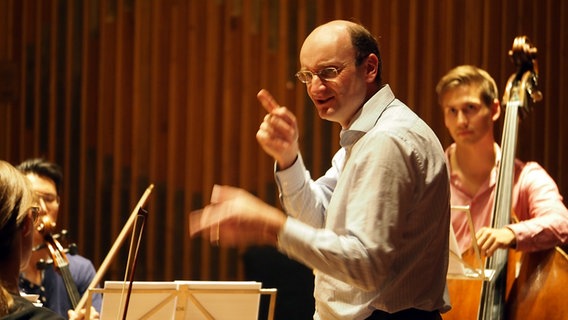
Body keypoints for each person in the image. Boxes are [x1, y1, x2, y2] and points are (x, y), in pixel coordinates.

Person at [190, 20, 451, 320]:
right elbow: (319, 220)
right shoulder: (366, 135)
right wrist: (289, 159)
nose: (315, 87)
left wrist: (270, 223)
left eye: (328, 72)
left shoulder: (387, 140)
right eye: (307, 75)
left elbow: (365, 266)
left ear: (370, 68)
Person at [435, 65, 568, 258]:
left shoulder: (525, 178)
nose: (461, 120)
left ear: (495, 110)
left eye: (470, 108)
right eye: (452, 111)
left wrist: (511, 233)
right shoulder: (429, 178)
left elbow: (561, 222)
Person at [0, 160, 97, 319]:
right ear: (26, 223)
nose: (43, 209)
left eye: (49, 199)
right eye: (35, 200)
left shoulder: (81, 270)